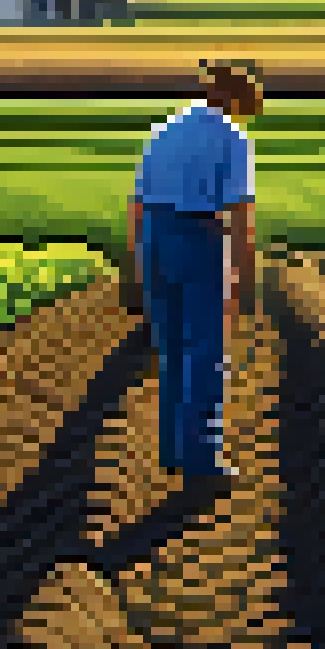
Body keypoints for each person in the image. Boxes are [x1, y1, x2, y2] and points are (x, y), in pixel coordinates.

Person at [121, 59, 263, 481]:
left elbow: (137, 203)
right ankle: (201, 458)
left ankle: (172, 450)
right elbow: (241, 214)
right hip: (198, 237)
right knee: (205, 351)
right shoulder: (232, 139)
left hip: (155, 237)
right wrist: (243, 274)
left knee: (173, 350)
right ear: (235, 98)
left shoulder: (164, 129)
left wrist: (138, 262)